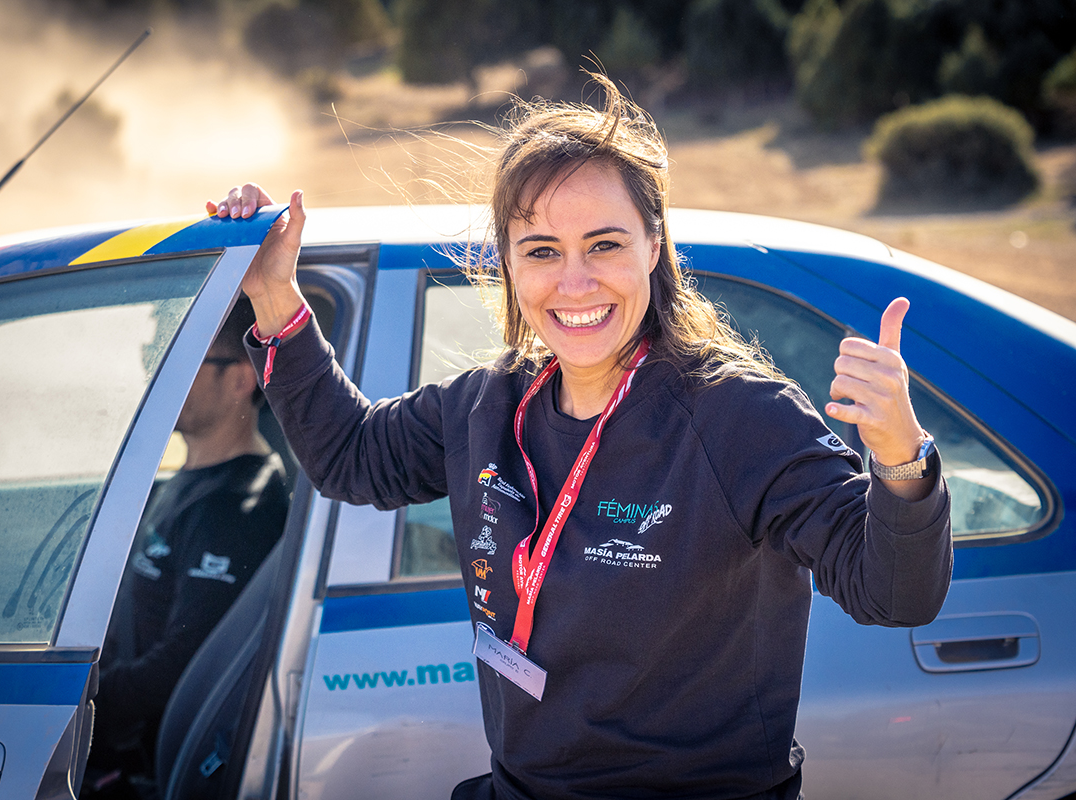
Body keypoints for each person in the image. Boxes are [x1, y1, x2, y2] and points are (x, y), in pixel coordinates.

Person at [210, 75, 951, 800]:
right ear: (508, 262)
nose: (574, 283)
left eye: (603, 245)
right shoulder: (486, 406)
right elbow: (352, 458)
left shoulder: (740, 417)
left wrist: (898, 453)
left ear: (653, 245)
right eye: (541, 251)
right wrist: (274, 293)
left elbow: (895, 592)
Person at [85, 300, 289, 797]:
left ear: (240, 379)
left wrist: (81, 703)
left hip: (153, 760)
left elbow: (183, 663)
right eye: (158, 354)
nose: (162, 373)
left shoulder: (236, 508)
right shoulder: (193, 481)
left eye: (186, 359)